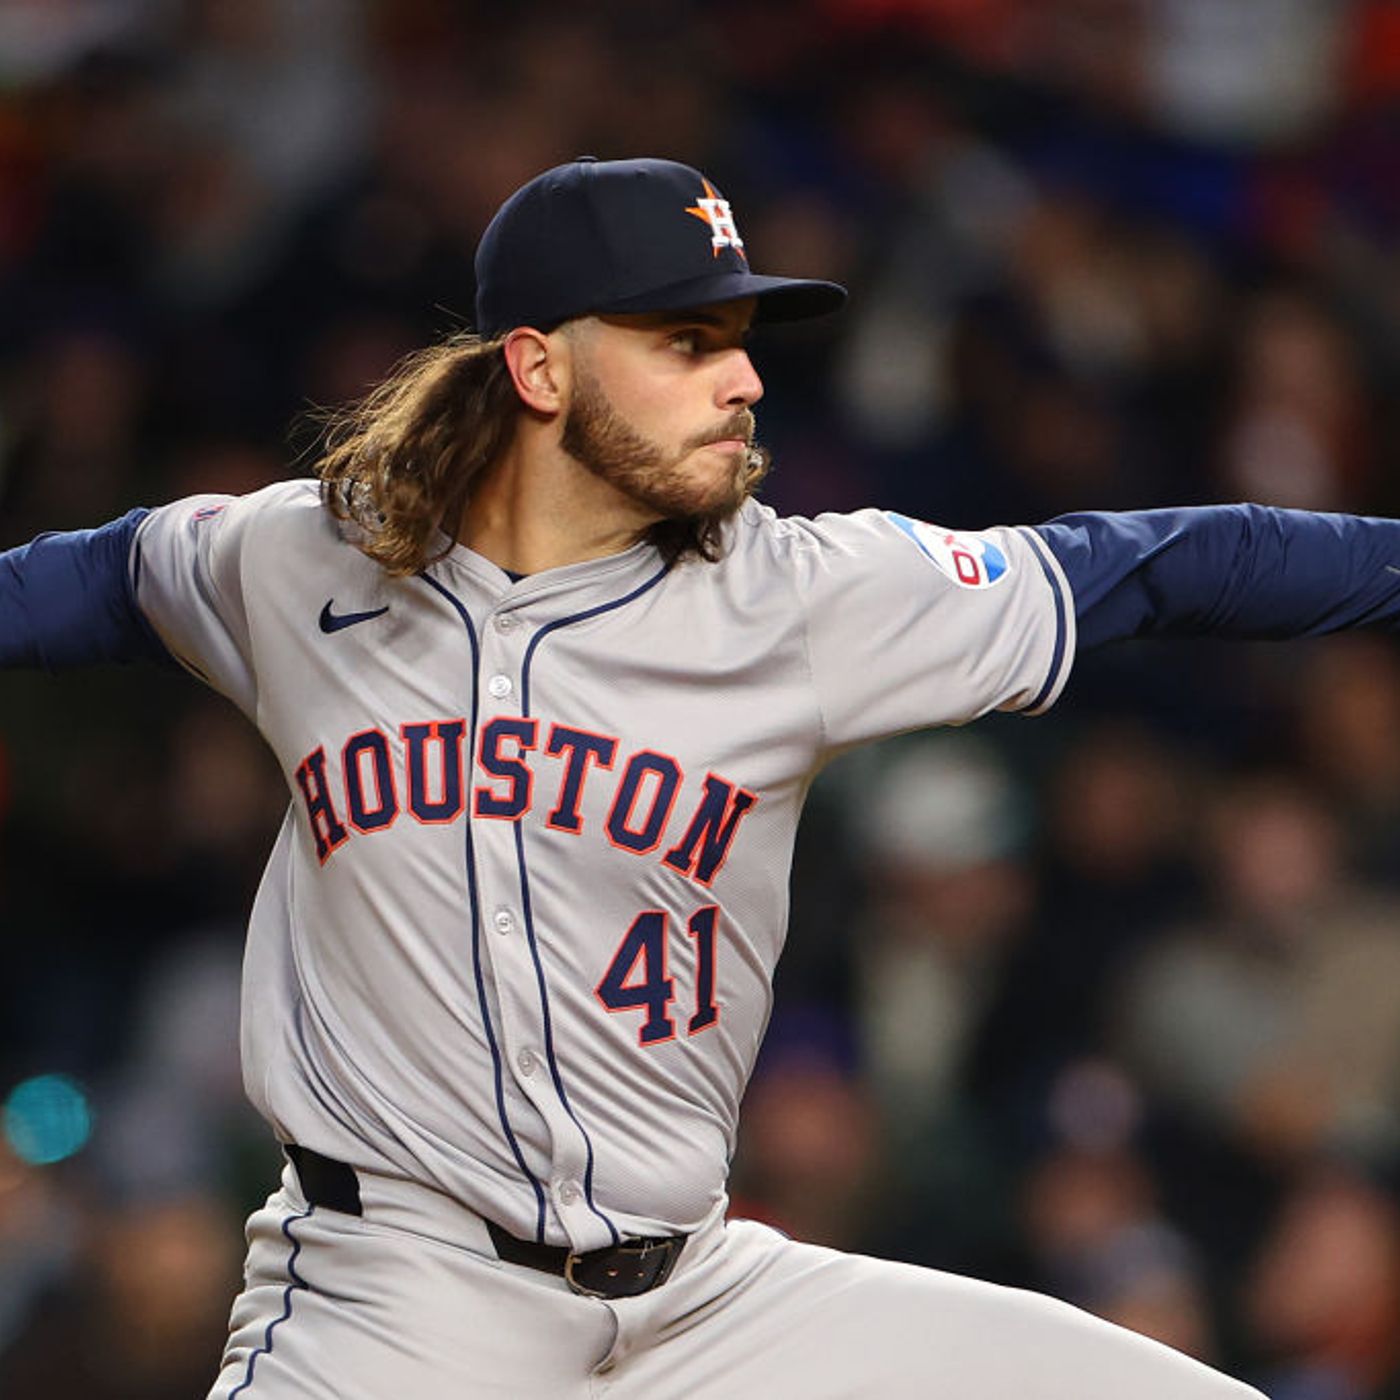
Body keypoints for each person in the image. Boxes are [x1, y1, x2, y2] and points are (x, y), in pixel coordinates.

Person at [11, 153, 1400, 1399]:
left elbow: (1169, 564)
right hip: (391, 1308)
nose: (742, 377)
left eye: (738, 339)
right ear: (540, 369)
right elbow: (88, 585)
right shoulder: (300, 561)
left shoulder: (797, 597)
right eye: (686, 340)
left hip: (706, 1306)